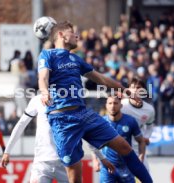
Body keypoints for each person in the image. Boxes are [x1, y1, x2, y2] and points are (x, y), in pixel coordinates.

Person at [38, 21, 152, 183]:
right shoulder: (47, 55)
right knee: (75, 178)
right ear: (61, 35)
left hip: (83, 114)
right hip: (63, 120)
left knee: (125, 147)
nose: (77, 36)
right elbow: (43, 77)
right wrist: (44, 92)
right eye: (73, 32)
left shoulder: (76, 59)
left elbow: (100, 78)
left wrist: (125, 90)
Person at [1, 95, 115, 183]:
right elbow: (21, 124)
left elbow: (84, 132)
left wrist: (102, 158)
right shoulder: (37, 100)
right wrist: (7, 151)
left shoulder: (72, 102)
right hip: (42, 163)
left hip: (68, 163)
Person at [92, 94, 146, 183]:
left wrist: (141, 158)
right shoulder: (101, 122)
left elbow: (141, 141)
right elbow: (93, 143)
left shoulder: (130, 121)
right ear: (106, 105)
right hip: (107, 167)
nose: (113, 106)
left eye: (115, 103)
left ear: (121, 105)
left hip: (126, 167)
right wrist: (95, 160)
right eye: (110, 103)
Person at [121, 77, 155, 171]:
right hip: (121, 147)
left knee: (146, 177)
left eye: (139, 87)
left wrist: (146, 137)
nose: (135, 89)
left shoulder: (149, 110)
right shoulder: (121, 105)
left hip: (138, 148)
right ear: (128, 90)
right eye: (133, 87)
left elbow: (149, 126)